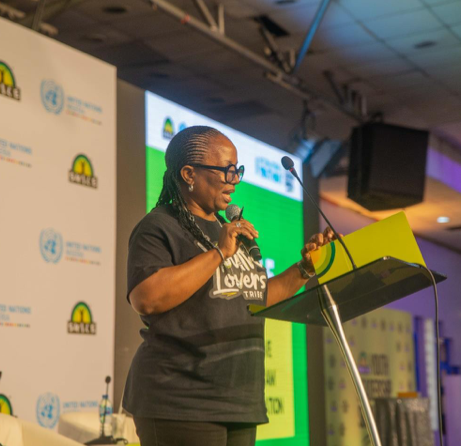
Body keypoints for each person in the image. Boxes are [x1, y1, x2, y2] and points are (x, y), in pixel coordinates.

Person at [123, 126, 337, 446]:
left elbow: (258, 297)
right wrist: (219, 253)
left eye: (237, 170)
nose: (235, 180)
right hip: (181, 399)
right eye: (227, 170)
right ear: (189, 174)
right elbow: (147, 298)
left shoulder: (229, 231)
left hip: (239, 400)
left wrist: (305, 268)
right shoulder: (159, 226)